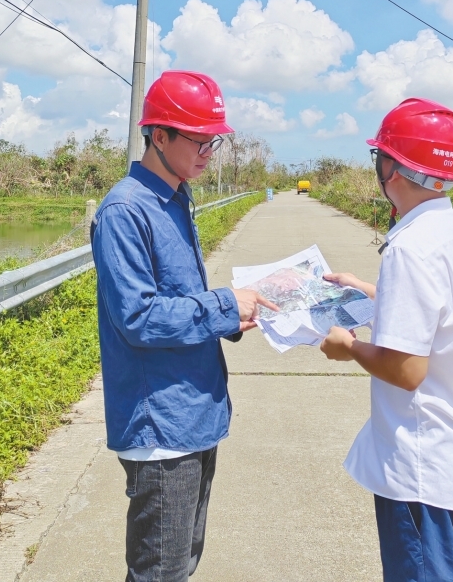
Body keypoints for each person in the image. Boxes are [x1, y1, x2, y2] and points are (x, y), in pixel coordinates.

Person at [91, 70, 277, 582]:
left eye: (212, 142)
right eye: (197, 140)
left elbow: (183, 299)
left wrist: (235, 314)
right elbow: (138, 316)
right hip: (161, 425)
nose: (207, 152)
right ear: (159, 136)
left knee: (182, 562)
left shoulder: (176, 198)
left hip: (195, 413)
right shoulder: (126, 210)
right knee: (160, 571)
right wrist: (222, 306)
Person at [320, 97, 453, 582]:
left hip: (428, 478)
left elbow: (406, 369)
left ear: (393, 169)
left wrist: (349, 347)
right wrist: (369, 292)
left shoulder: (410, 246)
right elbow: (445, 316)